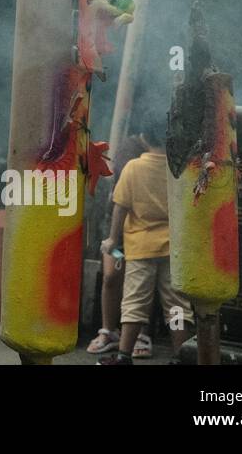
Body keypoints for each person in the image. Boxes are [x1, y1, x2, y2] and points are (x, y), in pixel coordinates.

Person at [97, 129, 194, 365]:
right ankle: (181, 356)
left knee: (134, 303)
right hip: (174, 250)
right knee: (178, 307)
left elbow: (120, 207)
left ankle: (123, 356)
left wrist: (112, 240)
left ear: (146, 139)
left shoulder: (133, 168)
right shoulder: (180, 171)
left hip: (141, 249)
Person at [87, 133, 147, 357]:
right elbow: (118, 192)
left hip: (145, 226)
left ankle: (141, 333)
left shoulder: (162, 150)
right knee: (111, 276)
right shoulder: (128, 145)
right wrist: (113, 236)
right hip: (117, 222)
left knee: (143, 281)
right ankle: (109, 331)